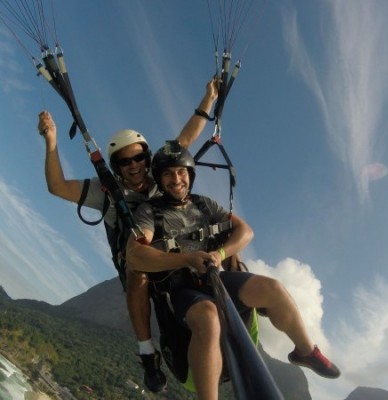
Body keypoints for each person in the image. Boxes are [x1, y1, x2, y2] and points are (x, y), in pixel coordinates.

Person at [37, 78, 218, 393]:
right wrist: (51, 141)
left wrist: (209, 99)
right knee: (139, 273)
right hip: (139, 263)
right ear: (116, 166)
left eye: (138, 158)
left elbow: (185, 141)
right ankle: (148, 354)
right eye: (124, 161)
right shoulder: (105, 192)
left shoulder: (162, 176)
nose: (133, 165)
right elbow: (57, 187)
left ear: (148, 158)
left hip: (176, 257)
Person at [126, 142, 341, 400]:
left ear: (190, 175)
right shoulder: (150, 212)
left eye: (181, 172)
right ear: (160, 179)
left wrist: (220, 254)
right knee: (208, 316)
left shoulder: (205, 205)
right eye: (168, 174)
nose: (176, 179)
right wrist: (187, 259)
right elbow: (136, 254)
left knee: (272, 289)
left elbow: (245, 231)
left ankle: (305, 351)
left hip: (214, 274)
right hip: (181, 286)